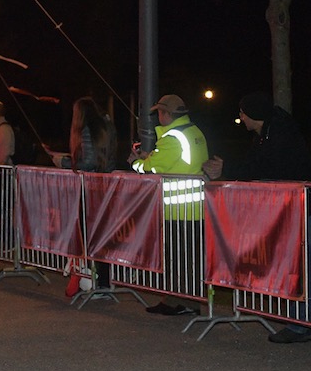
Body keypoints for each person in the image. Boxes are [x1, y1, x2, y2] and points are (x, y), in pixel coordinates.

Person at [202, 91, 311, 343]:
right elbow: (254, 167)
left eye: (242, 112)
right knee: (292, 263)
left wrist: (226, 169)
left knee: (296, 264)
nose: (240, 117)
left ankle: (299, 323)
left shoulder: (280, 136)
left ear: (254, 114)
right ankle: (298, 320)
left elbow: (266, 169)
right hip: (288, 209)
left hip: (295, 208)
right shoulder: (266, 135)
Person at [131, 93, 209, 316]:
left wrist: (136, 162)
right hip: (195, 207)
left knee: (176, 257)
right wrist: (150, 157)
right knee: (190, 258)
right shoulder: (194, 132)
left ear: (166, 114)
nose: (158, 117)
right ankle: (189, 301)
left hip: (178, 209)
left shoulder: (172, 137)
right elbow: (172, 162)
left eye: (159, 113)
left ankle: (177, 301)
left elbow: (153, 168)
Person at [65, 97, 118, 297]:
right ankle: (103, 282)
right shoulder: (107, 127)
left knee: (87, 235)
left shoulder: (86, 130)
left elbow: (87, 162)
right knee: (101, 235)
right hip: (105, 187)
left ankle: (91, 280)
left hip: (89, 188)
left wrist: (66, 163)